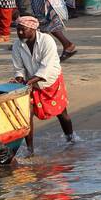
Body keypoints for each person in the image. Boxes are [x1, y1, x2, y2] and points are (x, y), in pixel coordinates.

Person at [11, 15, 74, 144]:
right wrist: (19, 79)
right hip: (31, 82)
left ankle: (71, 139)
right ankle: (30, 149)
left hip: (50, 81)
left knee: (62, 113)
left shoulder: (47, 41)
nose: (20, 33)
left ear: (33, 29)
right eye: (18, 30)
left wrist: (28, 82)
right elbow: (18, 67)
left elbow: (46, 67)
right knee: (27, 115)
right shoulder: (17, 45)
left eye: (23, 30)